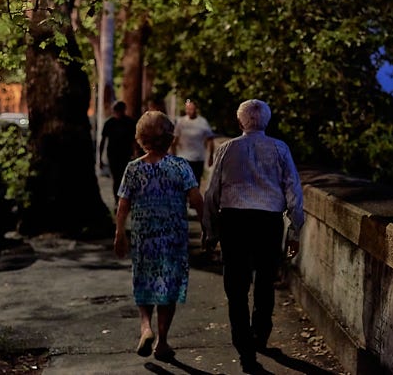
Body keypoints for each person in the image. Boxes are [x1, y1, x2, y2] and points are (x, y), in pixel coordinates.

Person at [203, 99, 304, 374]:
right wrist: (295, 230)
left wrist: (210, 231)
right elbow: (294, 191)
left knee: (235, 287)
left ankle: (244, 345)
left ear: (240, 123)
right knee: (264, 280)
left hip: (234, 221)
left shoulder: (227, 149)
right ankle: (259, 334)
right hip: (268, 222)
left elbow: (212, 193)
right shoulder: (280, 148)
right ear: (267, 122)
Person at [114, 111, 204, 361]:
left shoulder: (133, 168)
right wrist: (207, 226)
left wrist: (120, 233)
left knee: (143, 279)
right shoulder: (180, 166)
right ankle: (162, 342)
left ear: (141, 138)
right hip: (173, 236)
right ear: (169, 138)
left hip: (144, 236)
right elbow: (196, 199)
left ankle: (145, 327)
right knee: (168, 286)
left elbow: (123, 205)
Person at [99, 101, 137, 205]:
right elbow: (103, 141)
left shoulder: (130, 123)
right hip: (113, 155)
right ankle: (117, 201)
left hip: (125, 154)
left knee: (125, 178)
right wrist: (100, 159)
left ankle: (124, 199)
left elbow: (135, 141)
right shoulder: (109, 123)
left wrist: (135, 153)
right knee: (116, 179)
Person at [172, 99, 215, 185]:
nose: (190, 111)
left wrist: (210, 156)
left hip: (198, 158)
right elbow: (175, 140)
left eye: (192, 109)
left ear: (196, 109)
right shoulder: (181, 122)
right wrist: (173, 157)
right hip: (183, 158)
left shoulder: (203, 122)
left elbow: (210, 140)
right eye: (188, 109)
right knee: (183, 184)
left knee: (195, 183)